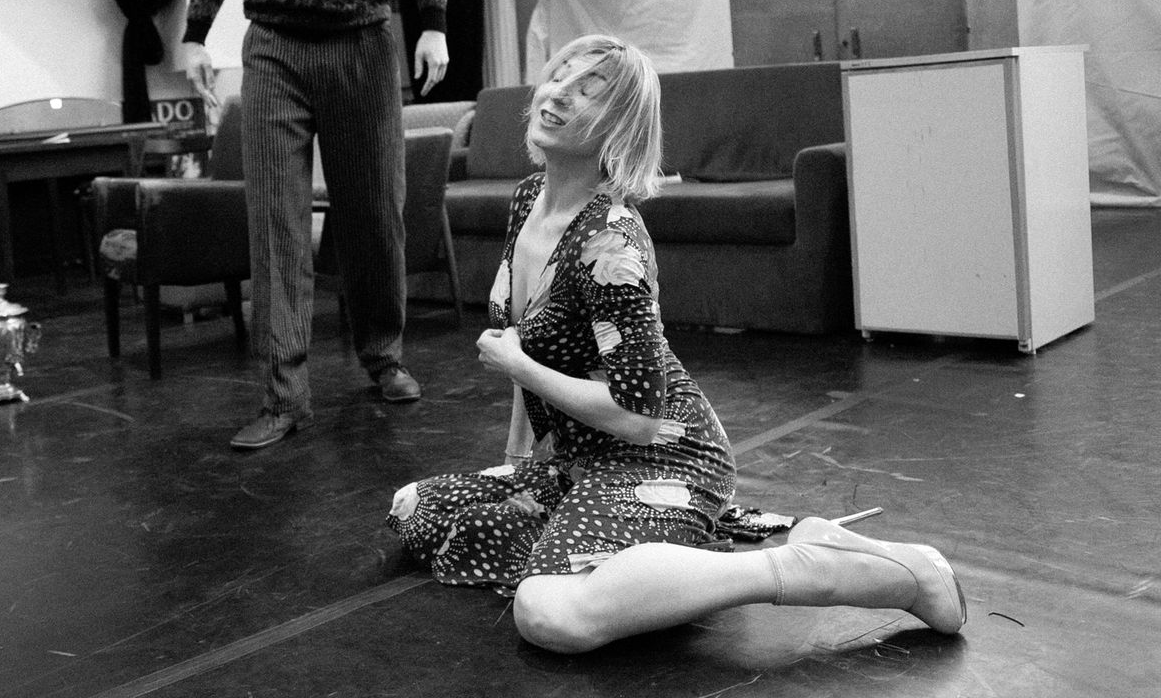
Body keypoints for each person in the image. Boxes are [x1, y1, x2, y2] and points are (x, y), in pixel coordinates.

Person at [386, 35, 967, 653]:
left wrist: (520, 367)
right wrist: (520, 461)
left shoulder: (611, 246)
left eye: (589, 92)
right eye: (560, 76)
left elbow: (637, 419)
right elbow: (525, 343)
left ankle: (817, 566)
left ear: (619, 127)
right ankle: (642, 556)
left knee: (548, 613)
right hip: (577, 458)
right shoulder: (530, 197)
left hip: (662, 455)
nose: (559, 94)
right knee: (414, 509)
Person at [181, 0, 449, 451]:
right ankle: (284, 396)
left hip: (363, 43)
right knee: (276, 220)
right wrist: (195, 36)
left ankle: (383, 355)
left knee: (374, 213)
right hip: (275, 48)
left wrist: (432, 23)